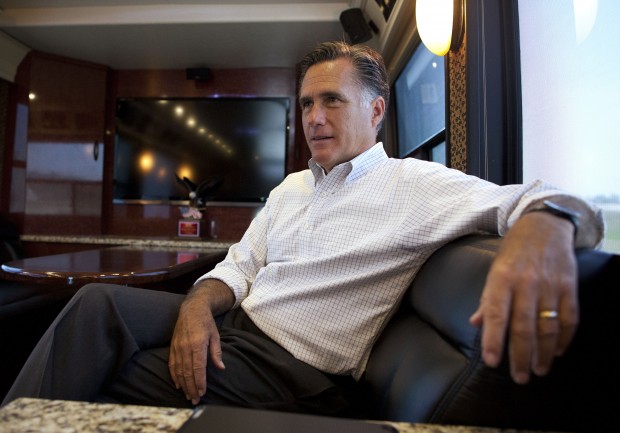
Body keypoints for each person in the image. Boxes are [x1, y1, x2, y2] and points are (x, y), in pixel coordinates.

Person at [2, 42, 604, 416]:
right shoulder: (293, 186)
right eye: (308, 104)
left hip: (294, 367)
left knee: (108, 377)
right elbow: (239, 266)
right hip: (236, 323)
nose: (314, 118)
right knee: (95, 304)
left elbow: (545, 199)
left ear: (375, 110)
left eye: (333, 102)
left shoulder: (414, 184)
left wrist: (543, 231)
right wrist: (195, 309)